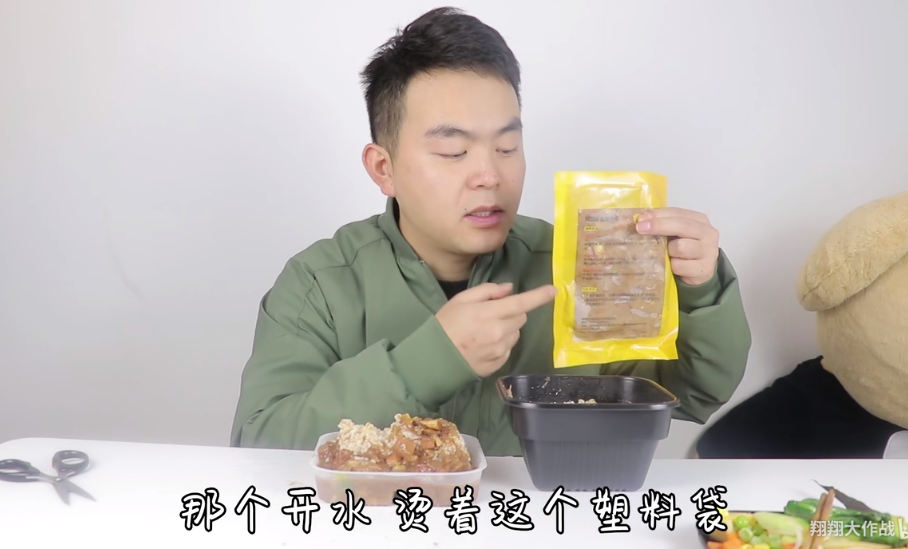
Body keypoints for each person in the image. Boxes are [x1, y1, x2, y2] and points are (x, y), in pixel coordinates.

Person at [230, 7, 752, 457]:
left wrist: (701, 290)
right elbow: (260, 444)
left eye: (506, 147)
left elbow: (692, 393)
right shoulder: (321, 283)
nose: (489, 175)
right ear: (383, 168)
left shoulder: (576, 266)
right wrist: (428, 361)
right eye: (453, 151)